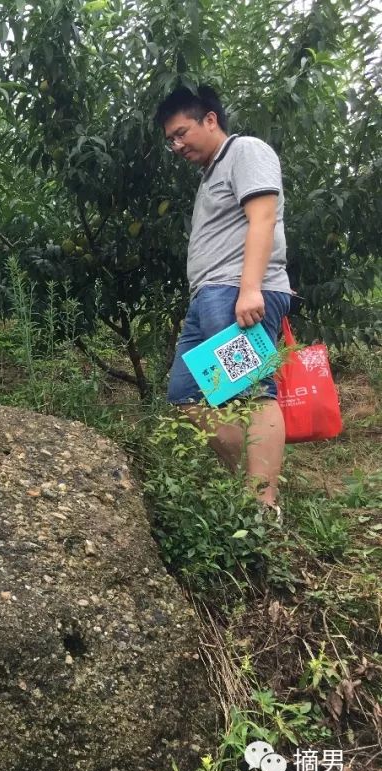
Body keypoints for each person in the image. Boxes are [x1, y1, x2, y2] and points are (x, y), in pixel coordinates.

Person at [156, 86, 294, 508]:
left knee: (253, 392)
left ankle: (262, 505)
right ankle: (252, 488)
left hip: (238, 293)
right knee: (186, 394)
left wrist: (249, 288)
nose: (177, 145)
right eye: (170, 140)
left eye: (181, 133)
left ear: (210, 120)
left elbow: (263, 217)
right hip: (209, 299)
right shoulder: (211, 174)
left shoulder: (245, 151)